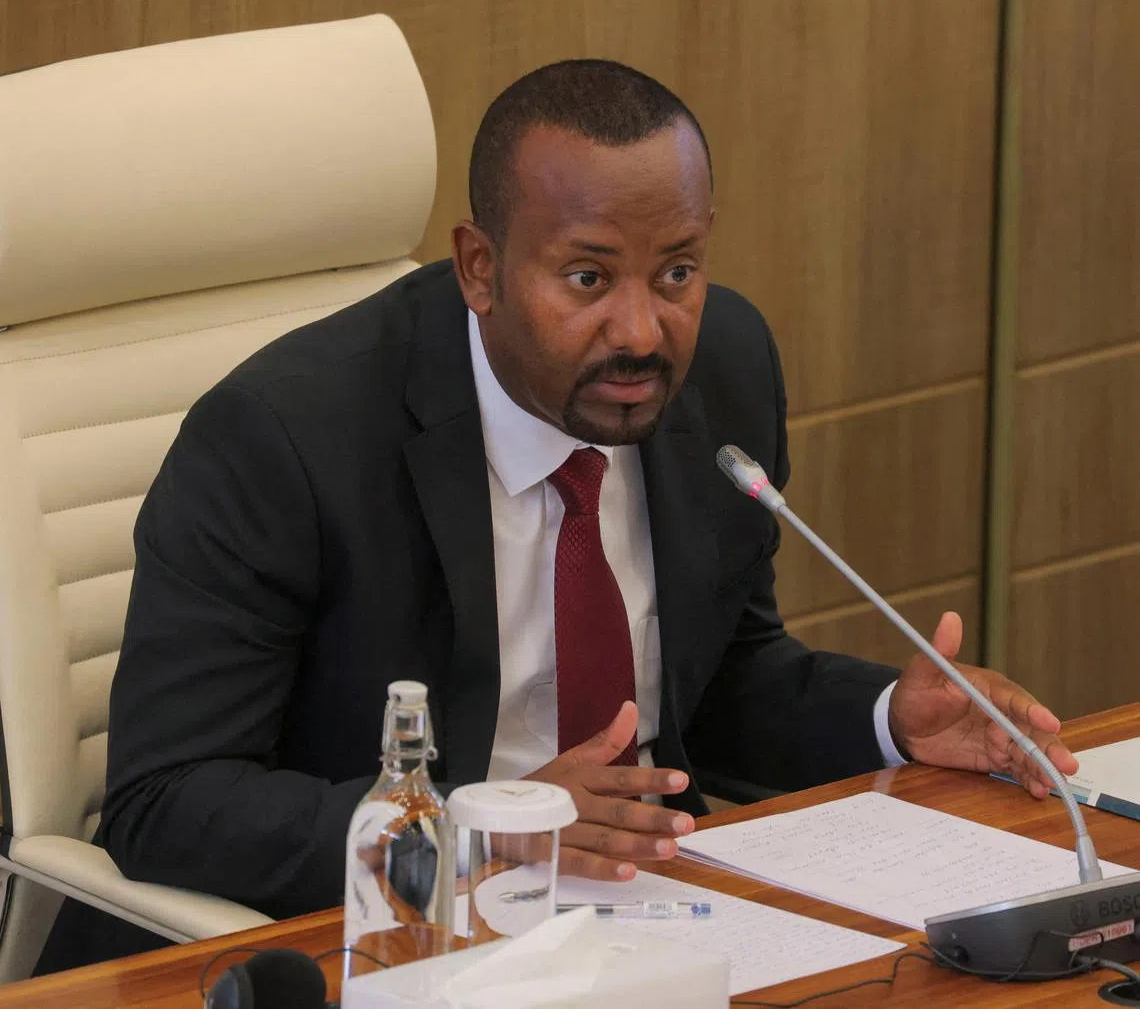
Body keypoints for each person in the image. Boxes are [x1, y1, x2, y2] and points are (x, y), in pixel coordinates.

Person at [34, 60, 1076, 972]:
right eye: (587, 278)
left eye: (678, 271)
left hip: (636, 922)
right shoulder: (280, 440)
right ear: (481, 269)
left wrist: (889, 720)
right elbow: (166, 804)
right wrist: (493, 828)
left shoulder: (723, 368)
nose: (641, 329)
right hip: (365, 944)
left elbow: (716, 689)